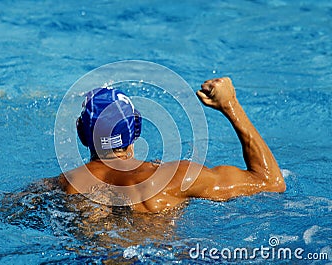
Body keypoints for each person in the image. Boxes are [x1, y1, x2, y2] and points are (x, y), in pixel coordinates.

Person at [52, 77, 286, 212]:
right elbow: (271, 181)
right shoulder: (175, 177)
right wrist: (230, 105)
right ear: (136, 131)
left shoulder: (66, 183)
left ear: (82, 135)